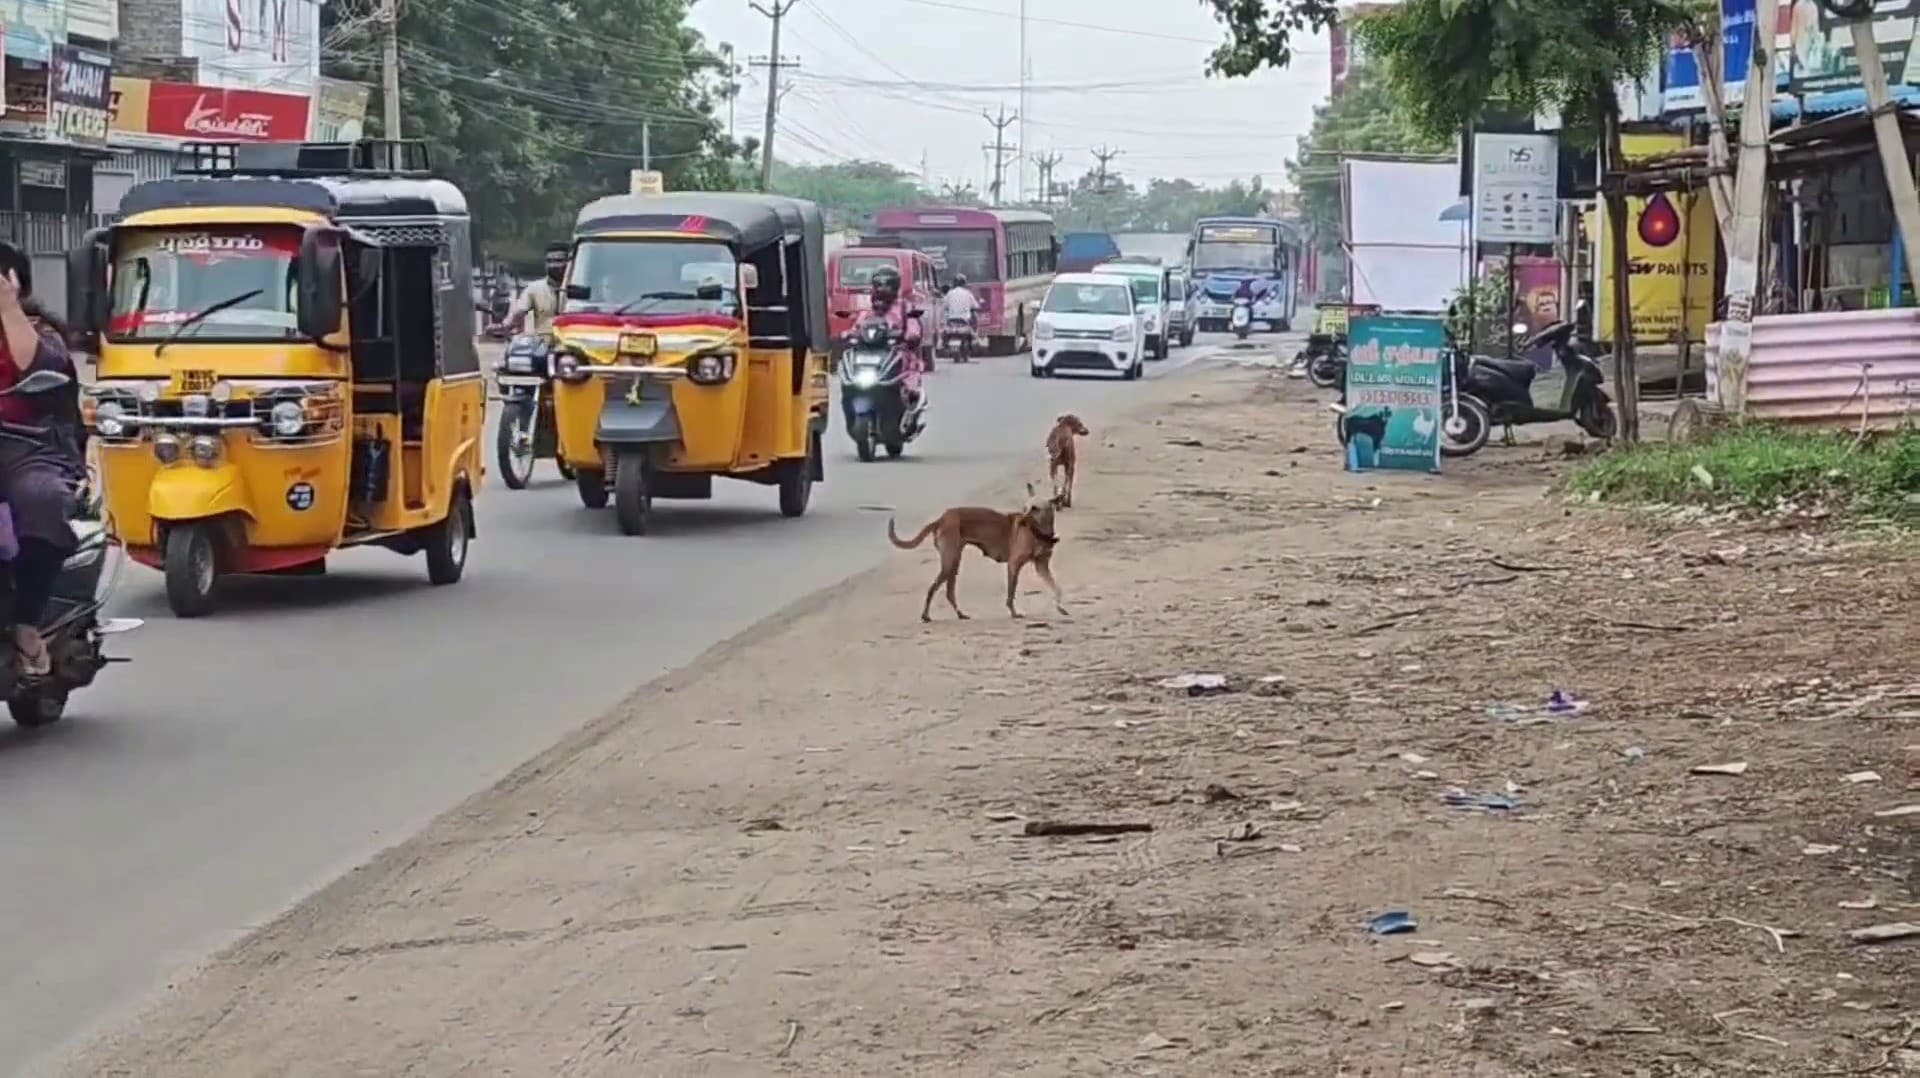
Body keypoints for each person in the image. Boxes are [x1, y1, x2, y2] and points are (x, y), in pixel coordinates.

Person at [0, 247, 81, 676]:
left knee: (42, 500)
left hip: (27, 446)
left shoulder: (37, 331)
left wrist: (7, 309)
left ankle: (27, 621)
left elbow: (46, 369)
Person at [867, 265, 924, 402]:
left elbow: (913, 325)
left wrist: (911, 335)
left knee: (910, 391)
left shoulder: (905, 308)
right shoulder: (869, 311)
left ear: (895, 287)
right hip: (873, 356)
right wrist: (847, 334)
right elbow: (857, 327)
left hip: (898, 354)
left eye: (887, 285)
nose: (882, 289)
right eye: (879, 285)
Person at [507, 244, 568, 334]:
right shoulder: (534, 289)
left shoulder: (580, 289)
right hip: (544, 344)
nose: (553, 265)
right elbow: (518, 312)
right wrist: (505, 325)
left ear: (569, 263)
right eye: (549, 261)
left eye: (558, 261)